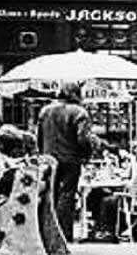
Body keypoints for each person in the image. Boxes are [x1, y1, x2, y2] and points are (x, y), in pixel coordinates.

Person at [37, 81, 95, 242]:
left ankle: (48, 232)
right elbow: (83, 138)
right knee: (67, 195)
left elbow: (39, 136)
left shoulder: (45, 110)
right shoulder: (79, 112)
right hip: (71, 158)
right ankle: (63, 233)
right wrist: (87, 154)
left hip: (49, 158)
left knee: (50, 194)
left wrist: (42, 153)